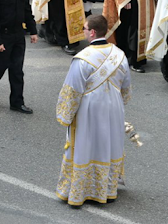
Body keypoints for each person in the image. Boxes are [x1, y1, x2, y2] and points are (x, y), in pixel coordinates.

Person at [56, 14, 132, 207]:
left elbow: (71, 91)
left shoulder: (82, 59)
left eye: (83, 28)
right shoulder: (120, 55)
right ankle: (106, 189)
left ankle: (80, 191)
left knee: (86, 145)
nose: (83, 31)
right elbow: (126, 89)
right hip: (113, 108)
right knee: (108, 145)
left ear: (91, 32)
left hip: (89, 111)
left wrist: (65, 115)